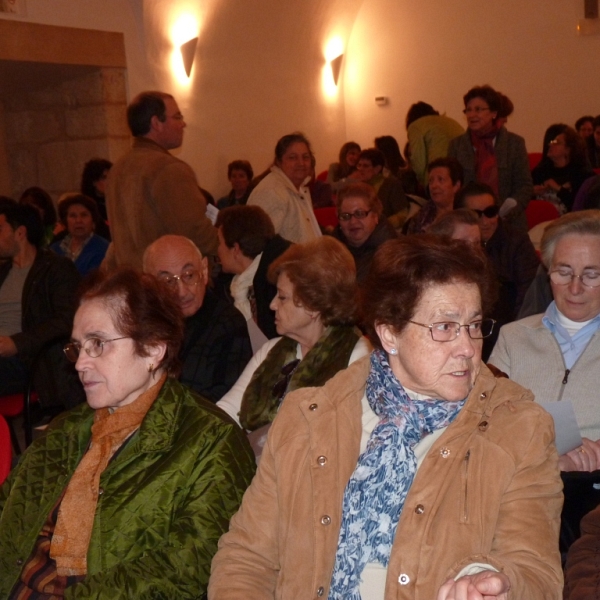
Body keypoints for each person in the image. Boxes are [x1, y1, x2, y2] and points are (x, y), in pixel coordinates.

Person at [209, 235, 563, 600]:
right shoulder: (308, 419)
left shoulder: (519, 429)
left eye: (473, 325)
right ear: (390, 333)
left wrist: (500, 584)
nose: (468, 348)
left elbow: (537, 570)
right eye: (445, 327)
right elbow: (246, 558)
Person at [0, 268, 256, 598]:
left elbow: (187, 568)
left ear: (153, 349)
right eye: (78, 347)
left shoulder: (212, 441)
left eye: (98, 344)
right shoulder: (67, 428)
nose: (80, 363)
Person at [488, 211, 600, 555]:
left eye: (592, 274)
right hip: (520, 493)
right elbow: (484, 423)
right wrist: (551, 457)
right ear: (547, 271)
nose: (575, 288)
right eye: (563, 272)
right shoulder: (513, 337)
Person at [216, 237, 371, 437]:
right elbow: (226, 412)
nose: (272, 305)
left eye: (282, 297)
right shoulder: (271, 350)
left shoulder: (357, 357)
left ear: (313, 305)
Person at [102, 91, 218, 270]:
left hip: (130, 278)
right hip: (167, 278)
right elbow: (195, 232)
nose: (183, 124)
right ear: (156, 123)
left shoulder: (117, 169)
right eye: (177, 117)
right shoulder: (168, 168)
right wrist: (224, 249)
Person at [143, 235, 252, 402]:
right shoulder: (142, 324)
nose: (181, 292)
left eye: (189, 275)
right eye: (167, 281)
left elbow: (223, 403)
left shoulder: (228, 324)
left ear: (204, 271)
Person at [0, 199, 83, 411]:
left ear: (20, 233)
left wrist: (16, 343)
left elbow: (67, 320)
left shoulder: (56, 269)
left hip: (31, 360)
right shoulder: (3, 273)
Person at [454, 182, 539, 359]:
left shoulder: (517, 243)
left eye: (491, 212)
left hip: (507, 334)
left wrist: (512, 337)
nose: (485, 221)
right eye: (477, 214)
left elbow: (529, 298)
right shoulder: (451, 245)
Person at [448, 84, 533, 231]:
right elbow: (452, 187)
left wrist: (505, 212)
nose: (472, 115)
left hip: (508, 223)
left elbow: (524, 186)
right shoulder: (457, 145)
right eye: (468, 110)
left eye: (478, 109)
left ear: (494, 113)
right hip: (469, 223)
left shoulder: (514, 143)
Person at [215, 205, 291, 340]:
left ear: (236, 249)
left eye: (219, 242)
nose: (217, 249)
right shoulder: (231, 284)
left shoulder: (281, 281)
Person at [247, 132, 321, 244]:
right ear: (279, 162)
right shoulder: (272, 192)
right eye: (293, 157)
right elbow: (264, 244)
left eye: (305, 157)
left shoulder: (298, 189)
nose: (301, 163)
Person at [332, 182, 396, 282]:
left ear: (375, 216)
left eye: (360, 214)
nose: (353, 222)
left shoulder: (392, 256)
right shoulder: (331, 251)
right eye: (345, 216)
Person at [532, 124, 594, 213]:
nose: (550, 144)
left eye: (556, 142)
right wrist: (532, 192)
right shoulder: (540, 171)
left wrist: (558, 189)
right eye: (551, 141)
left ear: (568, 150)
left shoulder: (582, 175)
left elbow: (580, 205)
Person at [405, 101, 464, 187]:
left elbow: (418, 163)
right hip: (461, 176)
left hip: (437, 177)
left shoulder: (415, 126)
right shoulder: (452, 122)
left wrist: (422, 182)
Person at [50, 194, 109, 276]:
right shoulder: (54, 249)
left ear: (93, 221)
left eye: (84, 215)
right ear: (65, 221)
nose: (78, 220)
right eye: (73, 216)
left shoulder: (104, 248)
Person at [403, 157, 463, 234]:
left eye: (440, 180)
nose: (434, 186)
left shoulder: (465, 217)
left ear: (456, 186)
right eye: (431, 181)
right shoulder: (419, 219)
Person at [354, 148, 408, 228]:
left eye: (365, 166)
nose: (361, 169)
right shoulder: (357, 187)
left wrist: (380, 225)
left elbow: (402, 214)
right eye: (359, 165)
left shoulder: (391, 184)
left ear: (377, 169)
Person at [80, 157, 112, 240]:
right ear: (93, 181)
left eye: (111, 177)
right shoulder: (86, 205)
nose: (109, 181)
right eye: (104, 177)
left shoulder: (115, 202)